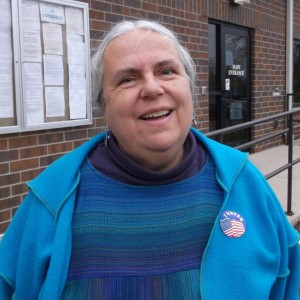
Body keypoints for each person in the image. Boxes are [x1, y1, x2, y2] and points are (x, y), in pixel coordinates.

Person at [0, 19, 299, 299]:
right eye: (128, 79)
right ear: (103, 104)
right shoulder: (52, 200)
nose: (153, 88)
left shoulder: (244, 183)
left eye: (167, 71)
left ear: (189, 88)